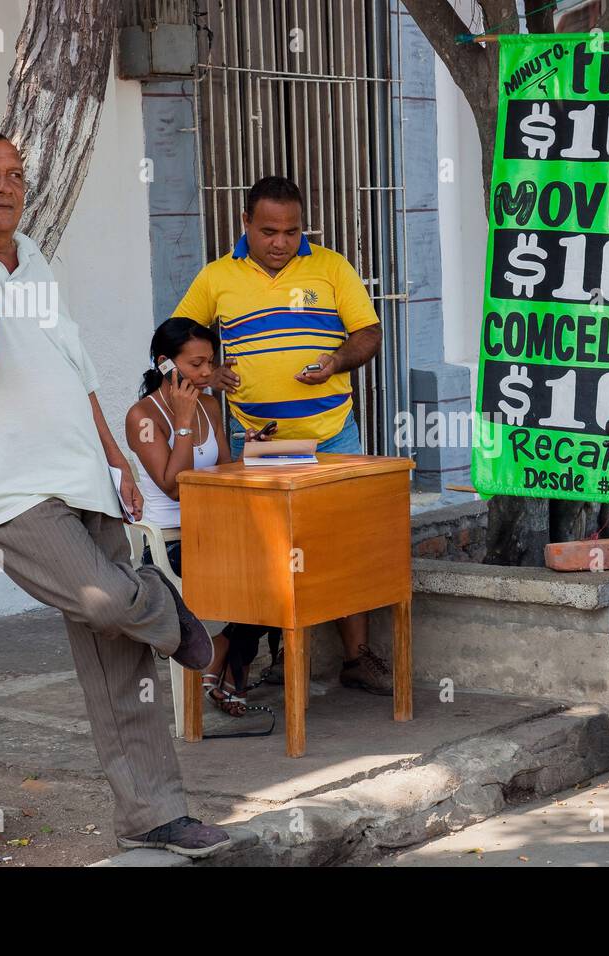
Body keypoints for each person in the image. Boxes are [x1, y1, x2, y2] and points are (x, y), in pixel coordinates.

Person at [0, 129, 231, 857]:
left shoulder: (35, 258)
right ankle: (161, 600)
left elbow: (76, 364)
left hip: (83, 472)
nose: (5, 187)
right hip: (5, 487)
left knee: (122, 660)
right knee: (108, 602)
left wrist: (115, 458)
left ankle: (155, 813)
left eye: (14, 174)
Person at [170, 175, 392, 695]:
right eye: (269, 231)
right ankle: (275, 654)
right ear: (245, 222)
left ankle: (356, 658)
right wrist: (209, 374)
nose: (281, 242)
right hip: (257, 443)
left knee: (345, 546)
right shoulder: (217, 277)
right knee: (266, 554)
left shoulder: (331, 267)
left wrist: (336, 360)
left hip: (331, 436)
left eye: (292, 232)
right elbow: (177, 341)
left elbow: (369, 333)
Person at [124, 317, 280, 713]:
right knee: (271, 572)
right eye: (196, 364)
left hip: (214, 531)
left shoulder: (209, 406)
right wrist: (182, 422)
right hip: (170, 544)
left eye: (210, 362)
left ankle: (224, 648)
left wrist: (251, 454)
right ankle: (231, 665)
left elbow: (223, 475)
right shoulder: (142, 417)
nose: (208, 372)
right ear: (165, 364)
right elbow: (175, 486)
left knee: (291, 565)